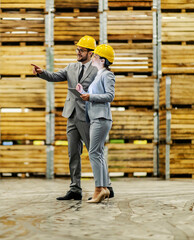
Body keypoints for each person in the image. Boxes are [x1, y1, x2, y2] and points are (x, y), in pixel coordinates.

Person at [31, 36, 114, 200]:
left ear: (91, 53)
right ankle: (75, 189)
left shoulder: (98, 69)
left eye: (81, 50)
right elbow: (55, 76)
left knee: (94, 152)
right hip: (71, 114)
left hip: (88, 116)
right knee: (73, 153)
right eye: (77, 49)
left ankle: (107, 186)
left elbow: (105, 91)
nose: (78, 52)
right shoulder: (71, 67)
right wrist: (41, 73)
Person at [77, 44, 115, 203]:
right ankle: (104, 188)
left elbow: (110, 96)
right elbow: (97, 94)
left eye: (95, 56)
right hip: (96, 117)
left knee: (93, 153)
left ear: (102, 60)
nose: (92, 58)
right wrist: (83, 93)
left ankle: (99, 189)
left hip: (101, 118)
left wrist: (90, 97)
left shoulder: (107, 75)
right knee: (97, 153)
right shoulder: (99, 75)